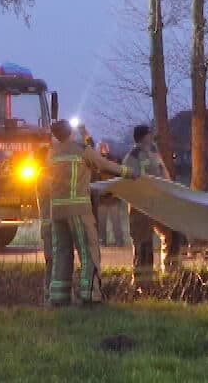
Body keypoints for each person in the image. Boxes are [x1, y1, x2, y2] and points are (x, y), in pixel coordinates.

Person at [44, 120, 128, 307]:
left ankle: (58, 297)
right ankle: (90, 295)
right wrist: (128, 172)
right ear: (71, 132)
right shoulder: (80, 149)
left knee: (61, 254)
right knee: (88, 252)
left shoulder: (51, 153)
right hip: (79, 210)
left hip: (56, 211)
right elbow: (105, 164)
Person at [123, 124, 172, 287]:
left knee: (171, 234)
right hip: (141, 207)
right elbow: (128, 180)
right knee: (143, 244)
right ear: (143, 136)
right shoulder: (133, 156)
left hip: (158, 204)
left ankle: (171, 273)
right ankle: (142, 283)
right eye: (149, 134)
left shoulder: (153, 153)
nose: (152, 136)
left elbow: (163, 174)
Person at [95, 141, 129, 248]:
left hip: (113, 196)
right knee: (101, 223)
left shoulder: (114, 160)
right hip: (101, 198)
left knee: (116, 222)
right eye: (101, 147)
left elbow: (119, 176)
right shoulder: (95, 162)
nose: (103, 149)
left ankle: (119, 242)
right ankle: (102, 242)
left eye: (104, 147)